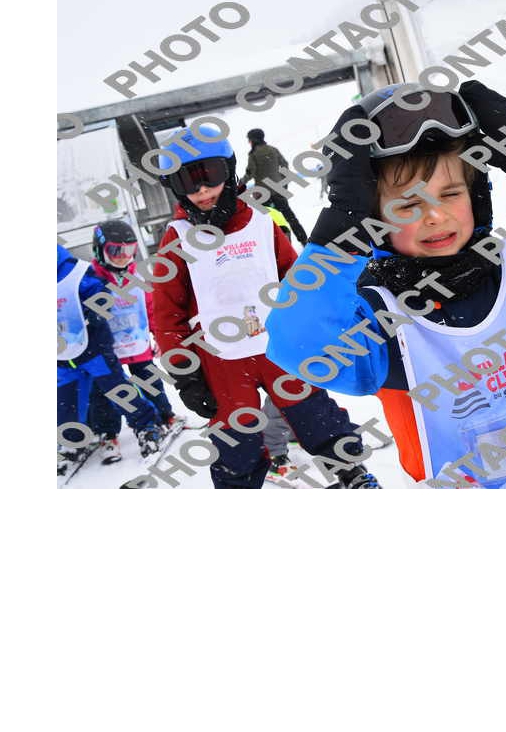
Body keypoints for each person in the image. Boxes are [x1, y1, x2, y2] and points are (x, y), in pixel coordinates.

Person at [265, 82, 506, 488]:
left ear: (477, 197)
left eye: (451, 194)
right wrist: (342, 230)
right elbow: (300, 346)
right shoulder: (382, 323)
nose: (435, 216)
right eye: (408, 205)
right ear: (373, 221)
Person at [150, 124, 381, 489]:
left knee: (315, 413)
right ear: (174, 187)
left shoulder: (260, 223)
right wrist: (185, 374)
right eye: (187, 182)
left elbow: (294, 279)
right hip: (221, 359)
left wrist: (314, 329)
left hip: (278, 345)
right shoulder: (177, 239)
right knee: (235, 438)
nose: (203, 190)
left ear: (229, 170)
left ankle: (351, 472)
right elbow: (167, 314)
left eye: (210, 175)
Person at [57, 244, 163, 477]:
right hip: (62, 358)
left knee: (119, 391)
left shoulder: (75, 270)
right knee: (65, 402)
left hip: (94, 349)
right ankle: (70, 441)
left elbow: (101, 291)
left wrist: (94, 310)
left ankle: (146, 426)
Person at [86, 220, 184, 464]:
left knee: (150, 380)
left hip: (137, 344)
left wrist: (158, 333)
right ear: (99, 249)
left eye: (129, 250)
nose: (123, 256)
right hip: (109, 350)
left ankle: (165, 415)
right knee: (106, 392)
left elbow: (151, 306)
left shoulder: (137, 275)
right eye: (115, 251)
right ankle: (108, 434)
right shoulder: (91, 280)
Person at [239, 128, 309, 244]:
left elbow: (250, 173)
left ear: (253, 140)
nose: (249, 142)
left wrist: (240, 183)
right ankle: (304, 240)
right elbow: (285, 166)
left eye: (249, 140)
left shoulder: (254, 155)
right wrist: (283, 185)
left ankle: (276, 245)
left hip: (262, 195)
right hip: (278, 191)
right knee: (290, 217)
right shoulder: (273, 150)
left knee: (265, 221)